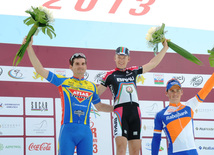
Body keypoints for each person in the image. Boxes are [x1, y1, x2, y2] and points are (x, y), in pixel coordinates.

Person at [24, 37, 114, 155]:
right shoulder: (63, 82)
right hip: (67, 131)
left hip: (85, 132)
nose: (80, 66)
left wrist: (118, 108)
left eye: (82, 64)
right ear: (70, 67)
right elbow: (40, 70)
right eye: (77, 64)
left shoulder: (92, 87)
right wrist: (29, 48)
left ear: (86, 66)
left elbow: (99, 106)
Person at [98, 40, 169, 155]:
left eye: (124, 58)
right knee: (121, 149)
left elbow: (152, 63)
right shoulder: (109, 75)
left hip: (135, 113)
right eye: (119, 57)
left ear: (128, 59)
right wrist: (109, 108)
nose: (121, 60)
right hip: (120, 113)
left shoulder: (133, 71)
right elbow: (96, 95)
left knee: (135, 151)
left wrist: (165, 48)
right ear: (114, 58)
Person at [151, 73, 214, 155]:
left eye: (177, 91)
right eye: (172, 91)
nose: (175, 94)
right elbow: (156, 139)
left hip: (193, 152)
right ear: (166, 93)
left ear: (181, 92)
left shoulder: (189, 106)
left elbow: (206, 89)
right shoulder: (160, 115)